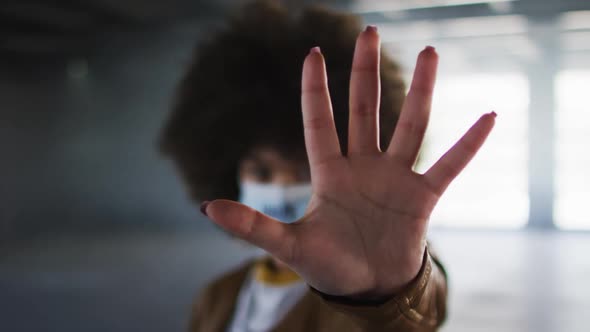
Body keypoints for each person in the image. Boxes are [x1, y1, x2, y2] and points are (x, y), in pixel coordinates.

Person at [158, 1, 495, 331]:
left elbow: (415, 315)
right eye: (262, 172)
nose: (282, 187)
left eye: (306, 169)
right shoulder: (217, 296)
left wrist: (388, 292)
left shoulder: (355, 302)